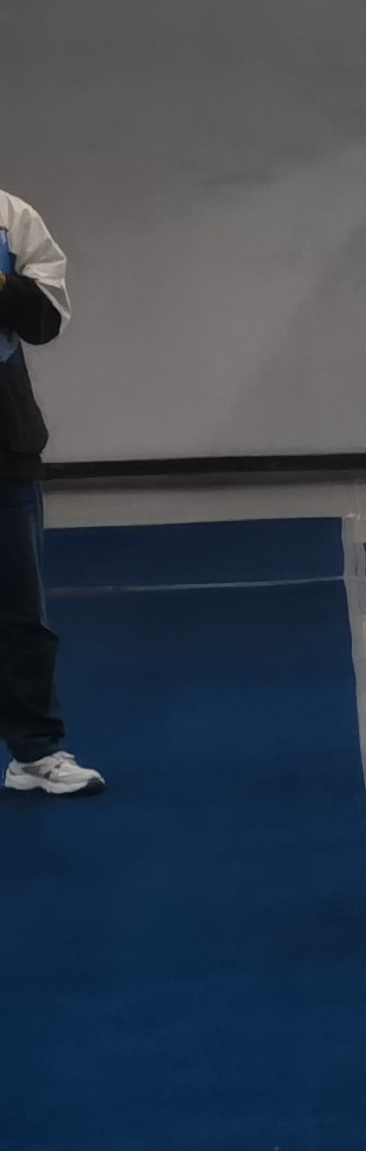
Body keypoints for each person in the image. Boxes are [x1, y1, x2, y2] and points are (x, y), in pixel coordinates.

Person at [2, 185, 102, 798]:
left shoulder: (10, 217)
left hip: (5, 442)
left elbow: (45, 320)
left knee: (20, 611)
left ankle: (35, 754)